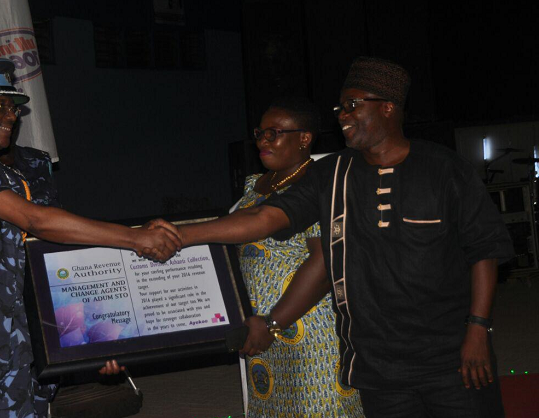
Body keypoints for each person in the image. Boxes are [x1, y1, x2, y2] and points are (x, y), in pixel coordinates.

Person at [150, 57, 513, 417]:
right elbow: (263, 216)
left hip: (451, 358)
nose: (342, 115)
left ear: (388, 108)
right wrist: (179, 234)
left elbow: (483, 250)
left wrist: (478, 329)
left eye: (353, 105)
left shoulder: (445, 168)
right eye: (341, 107)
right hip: (378, 367)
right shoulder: (332, 174)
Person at [0, 58, 180, 418]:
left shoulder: (2, 173)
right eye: (0, 105)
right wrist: (135, 238)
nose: (12, 115)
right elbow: (37, 221)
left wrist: (91, 342)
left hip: (11, 343)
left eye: (13, 107)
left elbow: (50, 252)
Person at [234, 97, 363, 416]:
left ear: (305, 138)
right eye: (260, 133)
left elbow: (323, 266)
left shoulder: (319, 184)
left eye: (274, 132)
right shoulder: (254, 188)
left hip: (308, 334)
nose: (263, 140)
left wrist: (274, 322)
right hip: (261, 333)